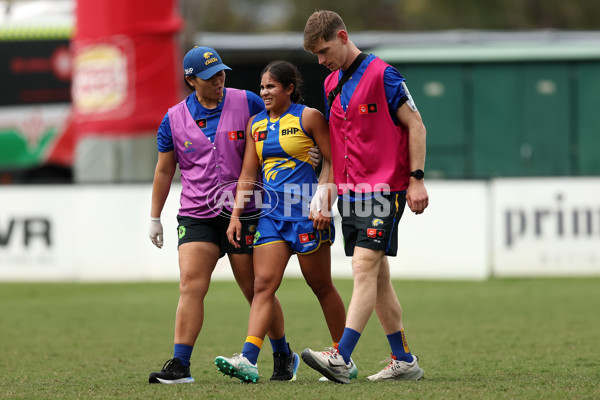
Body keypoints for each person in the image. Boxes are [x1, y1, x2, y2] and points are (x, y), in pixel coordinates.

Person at [147, 47, 321, 384]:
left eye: (221, 72)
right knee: (190, 285)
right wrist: (155, 216)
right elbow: (164, 171)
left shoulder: (248, 101)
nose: (219, 79)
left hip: (247, 211)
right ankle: (180, 365)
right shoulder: (172, 118)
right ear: (191, 80)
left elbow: (283, 122)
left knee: (255, 289)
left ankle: (283, 354)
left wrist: (308, 151)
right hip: (196, 214)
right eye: (210, 76)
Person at [300, 11, 429, 383]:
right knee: (377, 277)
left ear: (342, 37)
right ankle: (404, 360)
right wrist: (326, 186)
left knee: (362, 269)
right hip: (350, 192)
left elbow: (416, 125)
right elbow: (334, 145)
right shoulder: (329, 85)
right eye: (316, 56)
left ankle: (341, 356)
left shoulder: (384, 75)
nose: (321, 61)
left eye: (324, 51)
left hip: (386, 189)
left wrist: (417, 179)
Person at [214, 60, 347, 383]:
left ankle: (342, 356)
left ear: (289, 88)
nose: (265, 92)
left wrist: (323, 203)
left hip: (307, 216)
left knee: (320, 285)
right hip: (271, 217)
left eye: (271, 86)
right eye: (262, 87)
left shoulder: (309, 116)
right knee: (262, 286)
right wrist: (234, 215)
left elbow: (333, 159)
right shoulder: (256, 124)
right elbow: (248, 173)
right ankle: (248, 358)